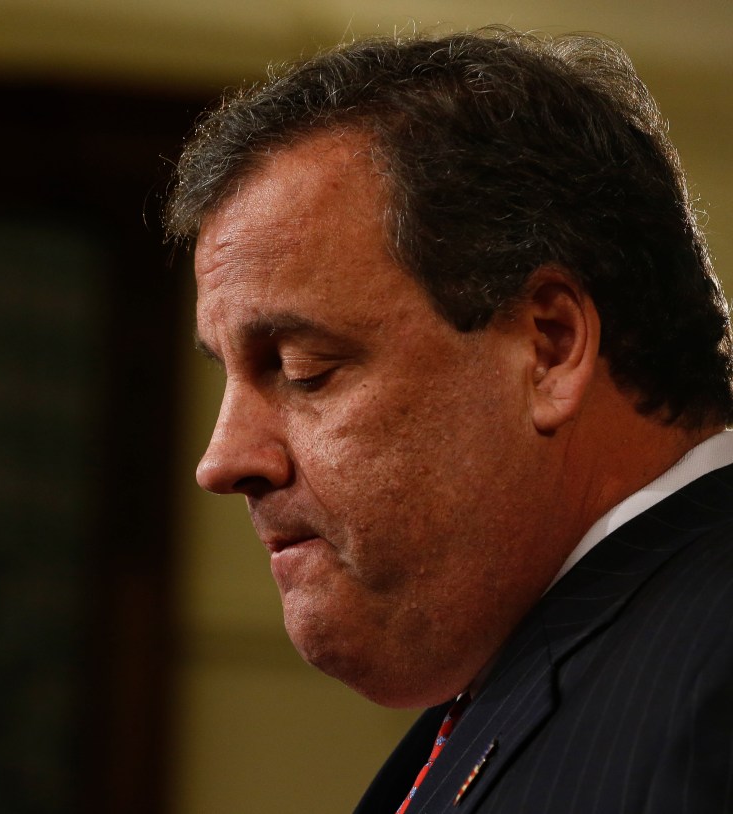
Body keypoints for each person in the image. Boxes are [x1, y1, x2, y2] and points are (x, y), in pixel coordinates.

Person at [166, 27, 733, 814]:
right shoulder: (536, 675)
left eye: (305, 370)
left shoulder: (708, 669)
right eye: (226, 375)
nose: (221, 460)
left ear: (550, 346)